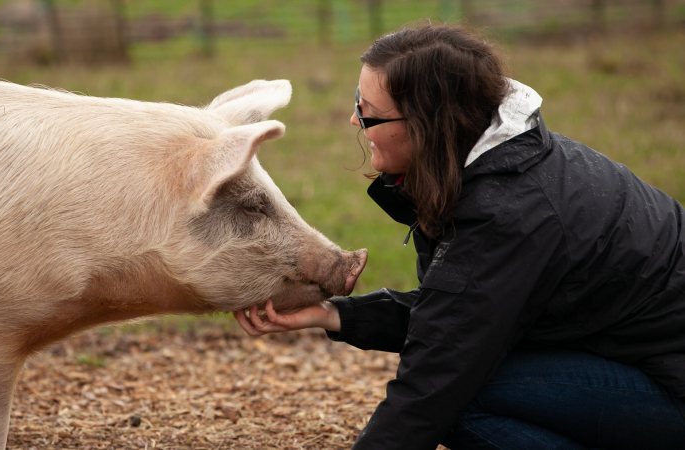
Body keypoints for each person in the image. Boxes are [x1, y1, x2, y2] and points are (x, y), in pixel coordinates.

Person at [233, 24, 685, 450]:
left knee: (461, 398)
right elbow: (466, 313)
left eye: (368, 113)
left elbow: (440, 373)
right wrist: (332, 315)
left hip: (670, 384)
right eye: (358, 103)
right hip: (635, 355)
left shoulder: (508, 212)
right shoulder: (501, 160)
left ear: (426, 124)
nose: (355, 122)